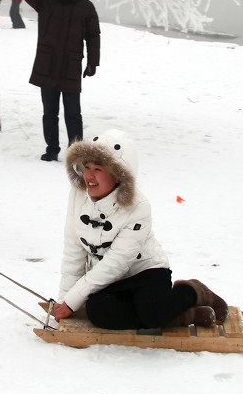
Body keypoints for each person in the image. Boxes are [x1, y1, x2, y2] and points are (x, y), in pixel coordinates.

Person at [50, 131, 227, 330]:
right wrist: (65, 299)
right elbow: (73, 250)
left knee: (152, 312)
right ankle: (183, 315)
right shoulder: (78, 195)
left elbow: (116, 262)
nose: (89, 176)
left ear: (118, 175)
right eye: (87, 167)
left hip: (146, 271)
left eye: (98, 169)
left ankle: (195, 291)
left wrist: (72, 300)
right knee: (98, 312)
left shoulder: (138, 207)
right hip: (110, 279)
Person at [16, 0, 101, 162]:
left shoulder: (85, 7)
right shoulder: (46, 2)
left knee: (73, 113)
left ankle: (76, 153)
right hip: (48, 65)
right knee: (49, 112)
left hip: (71, 66)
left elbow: (93, 36)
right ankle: (51, 148)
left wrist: (93, 62)